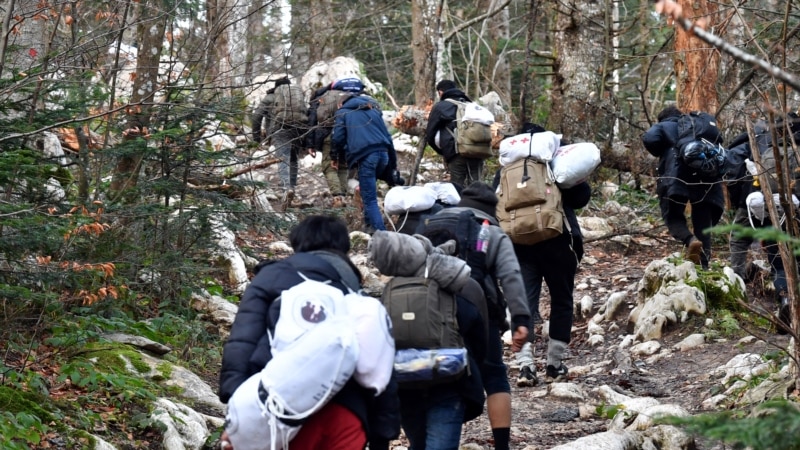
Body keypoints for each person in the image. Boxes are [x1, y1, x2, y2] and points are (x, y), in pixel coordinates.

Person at [218, 215, 401, 450]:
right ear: (343, 248)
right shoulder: (353, 292)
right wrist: (382, 433)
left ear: (297, 244)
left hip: (280, 410)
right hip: (345, 413)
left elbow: (242, 343)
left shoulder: (269, 278)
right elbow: (379, 363)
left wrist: (237, 409)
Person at [417, 181, 529, 450]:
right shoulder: (491, 232)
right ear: (492, 211)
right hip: (479, 313)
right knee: (494, 375)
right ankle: (501, 446)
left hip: (426, 312)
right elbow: (511, 276)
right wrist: (521, 320)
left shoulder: (429, 224)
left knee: (429, 378)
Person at [492, 122, 592, 386]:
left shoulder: (506, 168)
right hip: (558, 241)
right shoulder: (556, 162)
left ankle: (526, 367)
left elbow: (495, 204)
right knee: (562, 299)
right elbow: (581, 198)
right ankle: (554, 364)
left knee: (523, 304)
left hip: (519, 246)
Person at [368, 230, 488, 449]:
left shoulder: (388, 294)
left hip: (405, 387)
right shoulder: (455, 290)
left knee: (418, 443)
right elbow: (479, 340)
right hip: (449, 385)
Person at [642, 105, 725, 269]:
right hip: (707, 177)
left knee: (672, 216)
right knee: (704, 222)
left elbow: (650, 138)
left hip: (677, 176)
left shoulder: (664, 125)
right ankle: (704, 266)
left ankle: (690, 240)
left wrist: (661, 151)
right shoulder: (698, 126)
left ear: (662, 118)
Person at [331, 90, 396, 233]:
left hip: (365, 156)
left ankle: (383, 235)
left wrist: (335, 156)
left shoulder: (343, 112)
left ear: (341, 103)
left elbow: (337, 138)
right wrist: (394, 165)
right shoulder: (372, 110)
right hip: (383, 155)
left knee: (370, 199)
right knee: (367, 192)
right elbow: (388, 137)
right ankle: (368, 226)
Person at [306, 78, 365, 205]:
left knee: (329, 167)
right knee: (343, 166)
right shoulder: (351, 97)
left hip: (327, 135)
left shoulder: (324, 97)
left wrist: (310, 144)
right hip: (347, 136)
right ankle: (343, 196)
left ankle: (338, 196)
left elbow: (312, 120)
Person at [251, 76, 308, 202]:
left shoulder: (270, 97)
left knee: (283, 158)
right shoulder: (296, 97)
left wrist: (256, 138)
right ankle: (292, 187)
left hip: (281, 128)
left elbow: (256, 116)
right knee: (293, 159)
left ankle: (286, 189)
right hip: (299, 127)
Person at [426, 80, 484, 188]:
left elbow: (430, 135)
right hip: (478, 151)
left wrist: (444, 152)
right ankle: (477, 204)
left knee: (457, 189)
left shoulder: (440, 107)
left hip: (456, 153)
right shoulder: (471, 105)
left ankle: (461, 205)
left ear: (440, 92)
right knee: (477, 188)